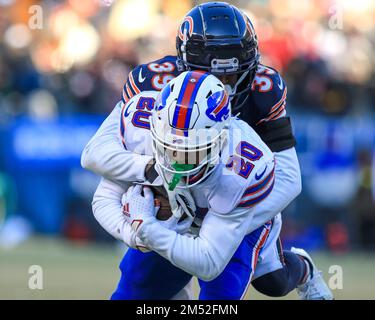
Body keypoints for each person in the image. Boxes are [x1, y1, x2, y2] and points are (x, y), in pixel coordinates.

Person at [82, 2, 332, 299]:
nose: (223, 90)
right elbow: (96, 154)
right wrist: (154, 176)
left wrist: (216, 222)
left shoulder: (262, 96)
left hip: (234, 188)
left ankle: (303, 268)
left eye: (230, 77)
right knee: (137, 289)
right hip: (175, 196)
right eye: (211, 76)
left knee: (268, 283)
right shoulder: (151, 88)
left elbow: (289, 180)